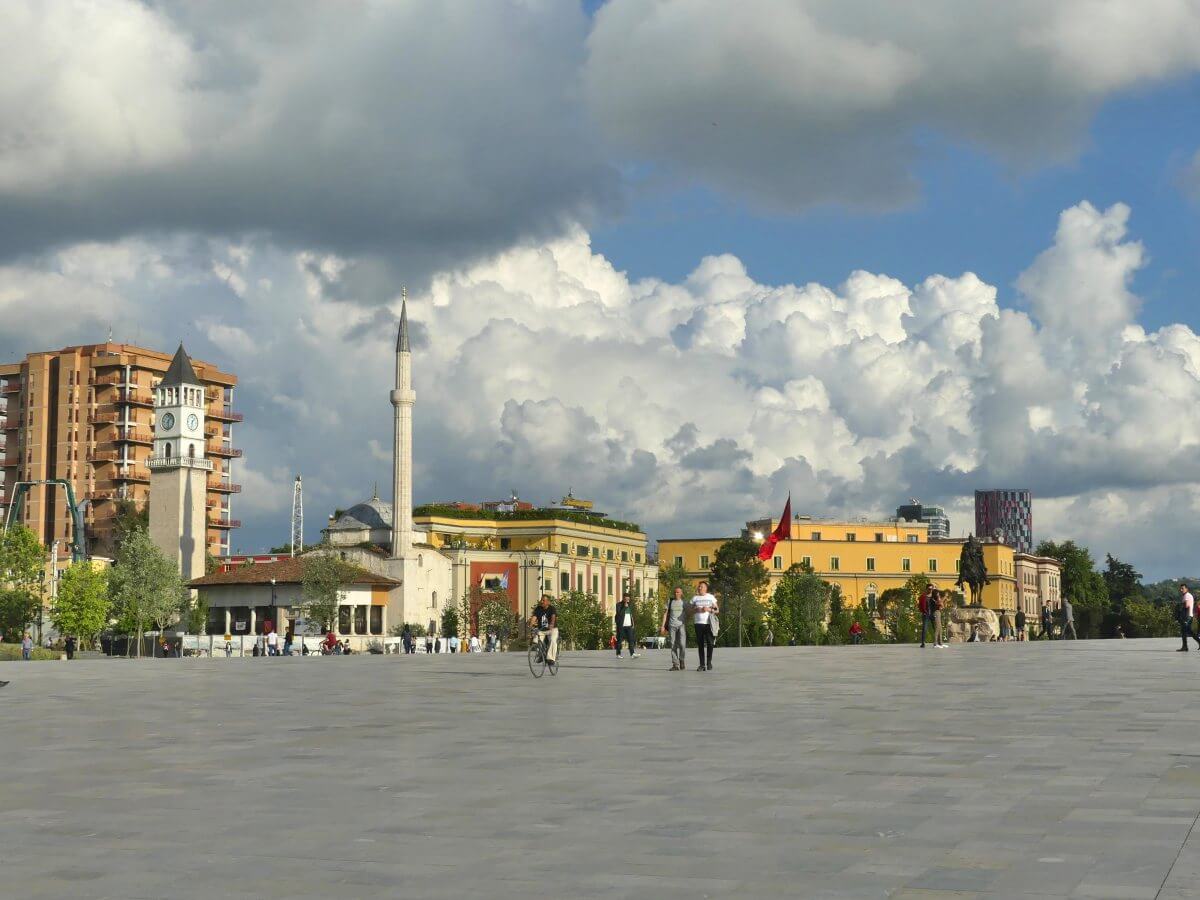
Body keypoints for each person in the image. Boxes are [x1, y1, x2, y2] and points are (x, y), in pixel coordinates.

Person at [691, 581, 718, 671]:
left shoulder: (710, 597)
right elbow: (689, 610)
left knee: (710, 643)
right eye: (699, 587)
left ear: (706, 588)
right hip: (698, 623)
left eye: (701, 587)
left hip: (708, 624)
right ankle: (702, 665)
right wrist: (696, 609)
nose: (699, 588)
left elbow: (717, 610)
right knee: (700, 644)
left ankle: (709, 662)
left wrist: (709, 609)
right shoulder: (695, 598)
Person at [661, 586, 688, 671]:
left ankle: (682, 659)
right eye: (675, 592)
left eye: (678, 592)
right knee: (673, 645)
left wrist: (686, 620)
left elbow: (689, 613)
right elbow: (665, 614)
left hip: (681, 626)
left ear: (681, 593)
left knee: (682, 645)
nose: (676, 594)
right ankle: (675, 664)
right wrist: (662, 626)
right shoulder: (670, 601)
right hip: (672, 626)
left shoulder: (684, 602)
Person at [529, 594, 558, 665]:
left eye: (543, 600)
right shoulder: (538, 609)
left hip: (552, 629)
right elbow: (534, 618)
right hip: (541, 630)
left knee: (553, 641)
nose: (541, 601)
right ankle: (541, 655)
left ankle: (551, 659)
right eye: (541, 600)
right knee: (536, 641)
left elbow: (553, 617)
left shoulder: (552, 608)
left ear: (548, 602)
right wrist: (531, 625)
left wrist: (551, 624)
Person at [614, 593, 638, 659]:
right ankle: (618, 654)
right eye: (626, 598)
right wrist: (624, 606)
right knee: (619, 640)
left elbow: (631, 615)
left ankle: (632, 653)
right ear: (623, 598)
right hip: (621, 626)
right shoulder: (618, 605)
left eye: (628, 598)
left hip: (629, 625)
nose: (628, 599)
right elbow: (619, 614)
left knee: (631, 640)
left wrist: (633, 624)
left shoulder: (630, 605)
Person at [1179, 584, 1200, 651]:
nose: (1181, 590)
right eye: (1180, 588)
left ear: (1187, 589)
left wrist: (1180, 606)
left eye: (1182, 588)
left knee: (1184, 631)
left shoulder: (1187, 595)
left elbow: (1186, 605)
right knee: (1189, 631)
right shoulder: (1188, 595)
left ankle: (1185, 647)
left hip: (1187, 617)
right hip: (1189, 616)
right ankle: (1185, 646)